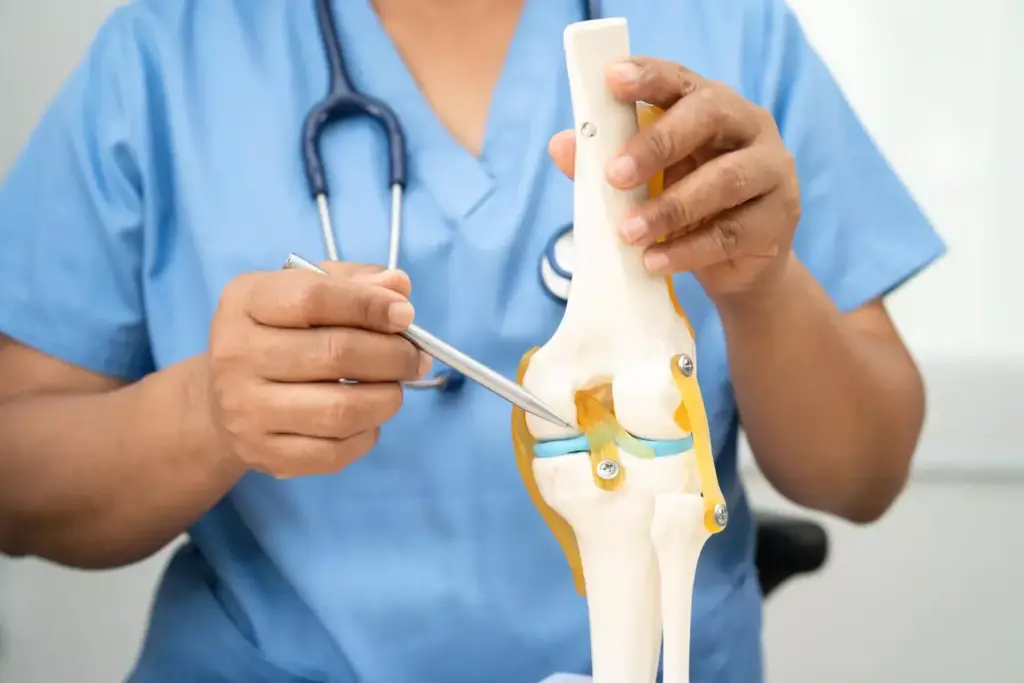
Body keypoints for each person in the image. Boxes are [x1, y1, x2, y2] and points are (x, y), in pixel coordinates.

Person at [0, 0, 944, 681]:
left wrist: (762, 281)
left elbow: (865, 473)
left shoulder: (727, 32)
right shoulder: (164, 61)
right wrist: (205, 414)